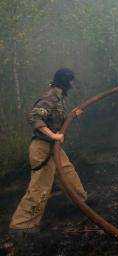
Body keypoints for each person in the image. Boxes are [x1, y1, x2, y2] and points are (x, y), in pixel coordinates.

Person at [9, 68, 87, 234]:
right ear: (65, 81)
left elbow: (55, 121)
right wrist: (53, 135)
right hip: (42, 147)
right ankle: (22, 225)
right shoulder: (51, 96)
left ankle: (79, 203)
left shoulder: (59, 98)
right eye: (71, 81)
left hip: (53, 148)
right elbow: (34, 117)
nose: (73, 85)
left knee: (67, 172)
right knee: (40, 186)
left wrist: (72, 116)